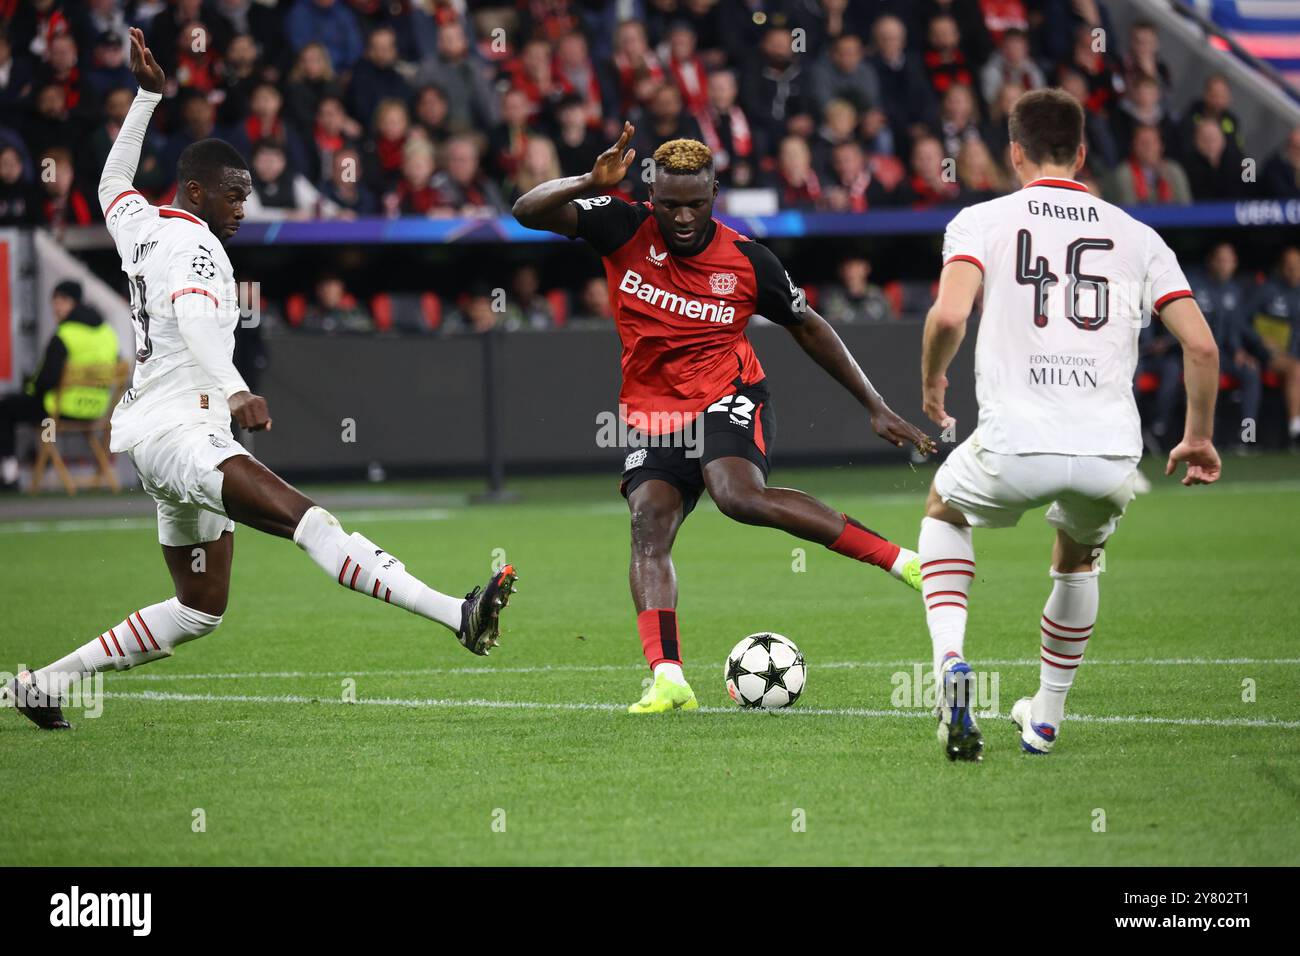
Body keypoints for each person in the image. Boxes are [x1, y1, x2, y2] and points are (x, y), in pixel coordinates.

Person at [4, 30, 517, 731]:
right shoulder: (198, 247)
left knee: (197, 609)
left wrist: (149, 98)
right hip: (187, 434)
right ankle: (455, 614)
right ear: (196, 191)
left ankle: (44, 683)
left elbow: (111, 184)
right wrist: (238, 385)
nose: (243, 206)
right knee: (311, 521)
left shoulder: (145, 226)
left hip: (159, 438)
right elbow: (187, 316)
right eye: (233, 194)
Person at [513, 123, 934, 715]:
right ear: (651, 194)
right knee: (647, 524)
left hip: (727, 393)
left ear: (715, 194)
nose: (683, 219)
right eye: (670, 205)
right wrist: (588, 180)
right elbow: (525, 211)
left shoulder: (746, 260)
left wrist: (874, 404)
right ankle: (668, 679)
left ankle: (904, 562)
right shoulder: (621, 224)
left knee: (737, 496)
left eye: (697, 204)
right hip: (655, 411)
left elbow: (809, 326)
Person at [917, 88, 1221, 761]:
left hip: (1015, 441)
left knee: (944, 508)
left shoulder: (981, 220)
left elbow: (947, 317)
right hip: (1111, 454)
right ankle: (1047, 716)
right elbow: (1202, 348)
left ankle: (949, 668)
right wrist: (1197, 434)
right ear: (1083, 154)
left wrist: (933, 378)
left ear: (1014, 153)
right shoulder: (1140, 236)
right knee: (1078, 555)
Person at [0, 280, 119, 491]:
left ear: (75, 303)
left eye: (62, 300)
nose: (56, 306)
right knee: (42, 415)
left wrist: (31, 387)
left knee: (8, 408)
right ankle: (43, 457)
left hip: (61, 410)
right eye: (54, 300)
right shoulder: (107, 332)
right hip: (97, 409)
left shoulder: (65, 335)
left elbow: (47, 380)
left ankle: (11, 473)